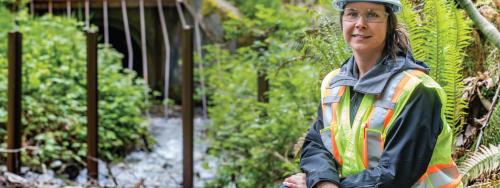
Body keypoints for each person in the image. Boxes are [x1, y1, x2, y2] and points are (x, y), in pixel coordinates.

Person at [282, 0, 463, 187]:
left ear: (389, 24)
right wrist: (322, 181)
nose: (360, 23)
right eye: (352, 14)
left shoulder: (416, 90)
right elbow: (316, 145)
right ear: (342, 21)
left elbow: (397, 173)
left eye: (372, 15)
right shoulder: (333, 84)